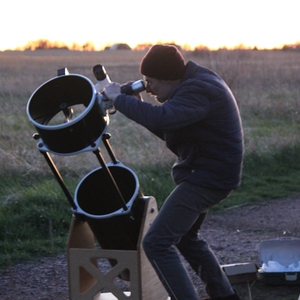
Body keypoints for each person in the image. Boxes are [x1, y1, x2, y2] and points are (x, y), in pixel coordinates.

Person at [103, 44, 244, 300]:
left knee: (156, 242)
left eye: (151, 81)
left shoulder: (198, 89)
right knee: (186, 238)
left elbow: (163, 119)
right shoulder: (195, 83)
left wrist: (120, 99)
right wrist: (137, 107)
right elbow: (172, 128)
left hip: (207, 178)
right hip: (209, 173)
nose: (148, 87)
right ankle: (224, 295)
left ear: (168, 78)